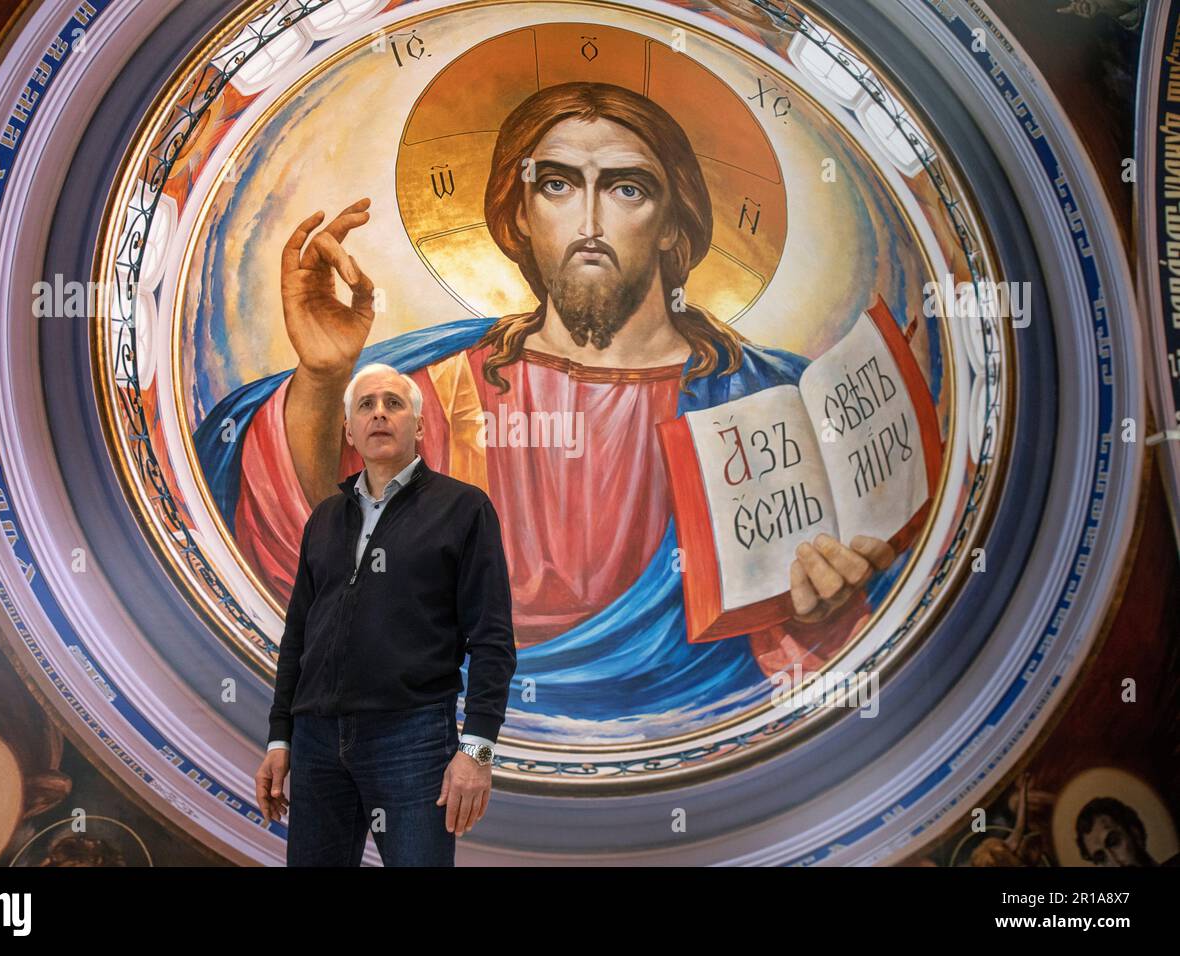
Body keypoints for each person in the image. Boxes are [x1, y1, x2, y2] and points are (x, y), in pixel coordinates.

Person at [201, 81, 896, 733]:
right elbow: (313, 556)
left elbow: (840, 640)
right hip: (445, 721)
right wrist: (324, 382)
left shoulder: (772, 400)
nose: (589, 220)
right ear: (519, 216)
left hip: (684, 738)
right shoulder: (435, 389)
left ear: (669, 224)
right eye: (557, 185)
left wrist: (820, 605)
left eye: (627, 188)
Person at [253, 363, 517, 866]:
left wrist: (478, 751)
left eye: (394, 404)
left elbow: (493, 641)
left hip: (412, 737)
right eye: (366, 405)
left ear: (418, 426)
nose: (380, 414)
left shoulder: (463, 509)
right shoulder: (325, 516)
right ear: (349, 429)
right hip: (315, 740)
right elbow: (298, 638)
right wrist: (280, 735)